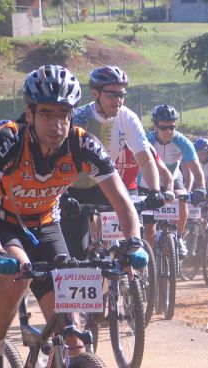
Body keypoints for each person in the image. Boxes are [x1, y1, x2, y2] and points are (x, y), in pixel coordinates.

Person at [0, 65, 147, 368]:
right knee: (14, 271)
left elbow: (121, 200)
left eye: (64, 114)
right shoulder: (6, 140)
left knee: (73, 334)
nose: (57, 123)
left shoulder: (83, 143)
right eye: (47, 113)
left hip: (46, 225)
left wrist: (134, 241)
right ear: (29, 113)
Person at [65, 65, 164, 258]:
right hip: (75, 186)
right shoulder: (79, 119)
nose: (118, 101)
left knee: (130, 235)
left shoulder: (127, 117)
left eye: (122, 94)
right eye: (112, 94)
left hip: (106, 181)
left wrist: (155, 190)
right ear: (95, 92)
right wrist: (64, 195)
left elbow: (145, 159)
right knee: (79, 252)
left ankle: (130, 277)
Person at [143, 104, 207, 255]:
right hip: (148, 181)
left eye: (172, 127)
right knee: (149, 235)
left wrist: (202, 188)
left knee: (182, 198)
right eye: (164, 128)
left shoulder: (182, 142)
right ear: (155, 126)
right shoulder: (146, 141)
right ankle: (149, 267)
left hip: (173, 176)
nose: (169, 131)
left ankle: (178, 238)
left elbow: (196, 169)